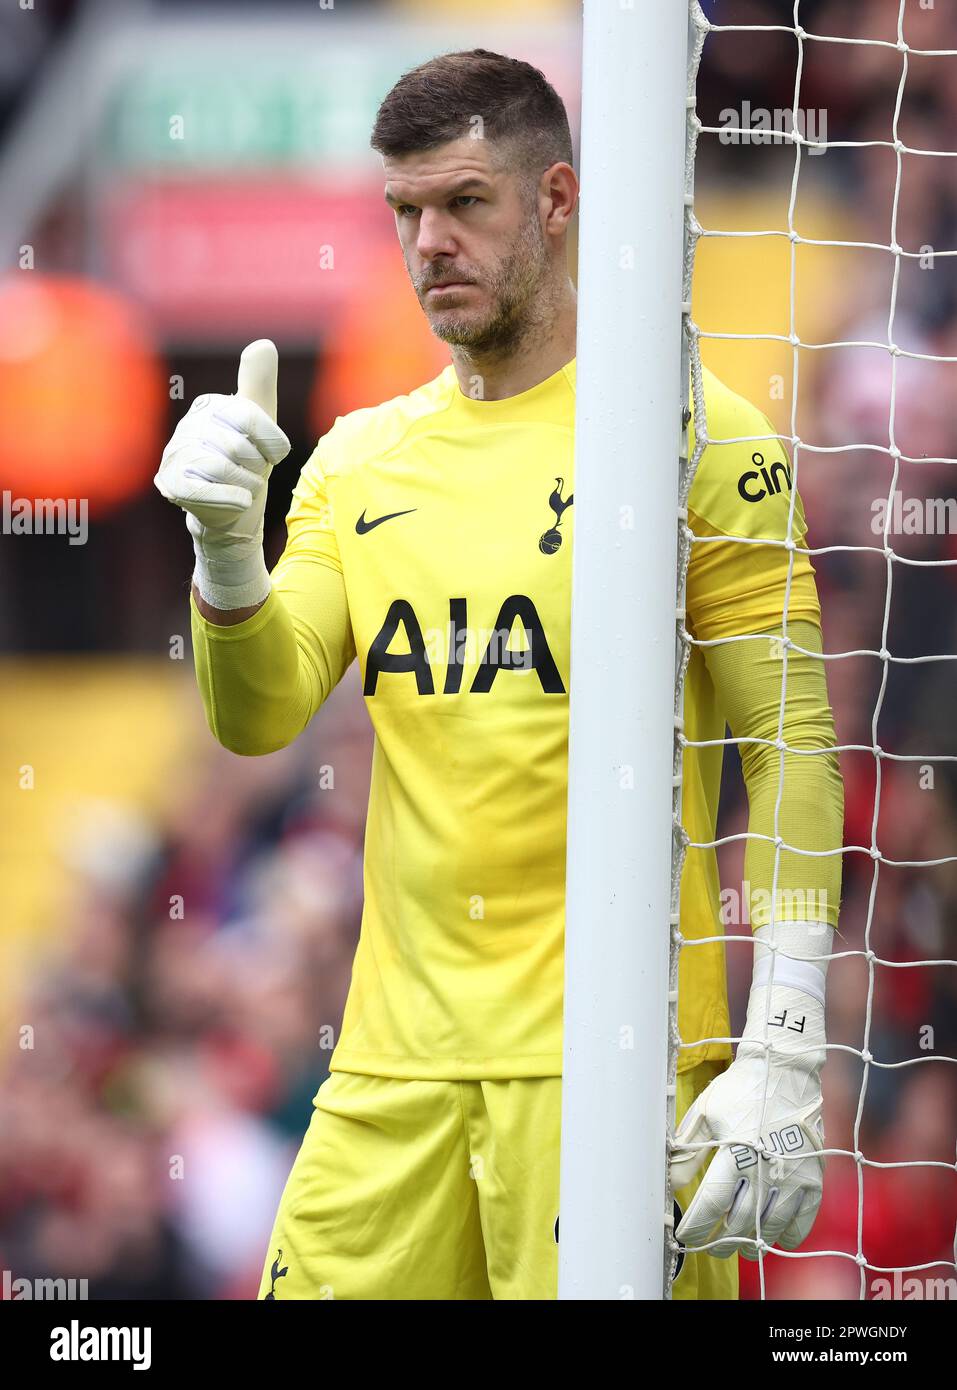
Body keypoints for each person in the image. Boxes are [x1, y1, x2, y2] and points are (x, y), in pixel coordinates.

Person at [155, 48, 843, 1301]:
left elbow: (790, 739)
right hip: (389, 1075)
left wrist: (786, 1042)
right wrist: (222, 557)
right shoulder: (360, 458)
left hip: (614, 1072)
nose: (429, 243)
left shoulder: (698, 430)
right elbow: (258, 715)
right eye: (405, 212)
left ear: (560, 201)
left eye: (466, 201)